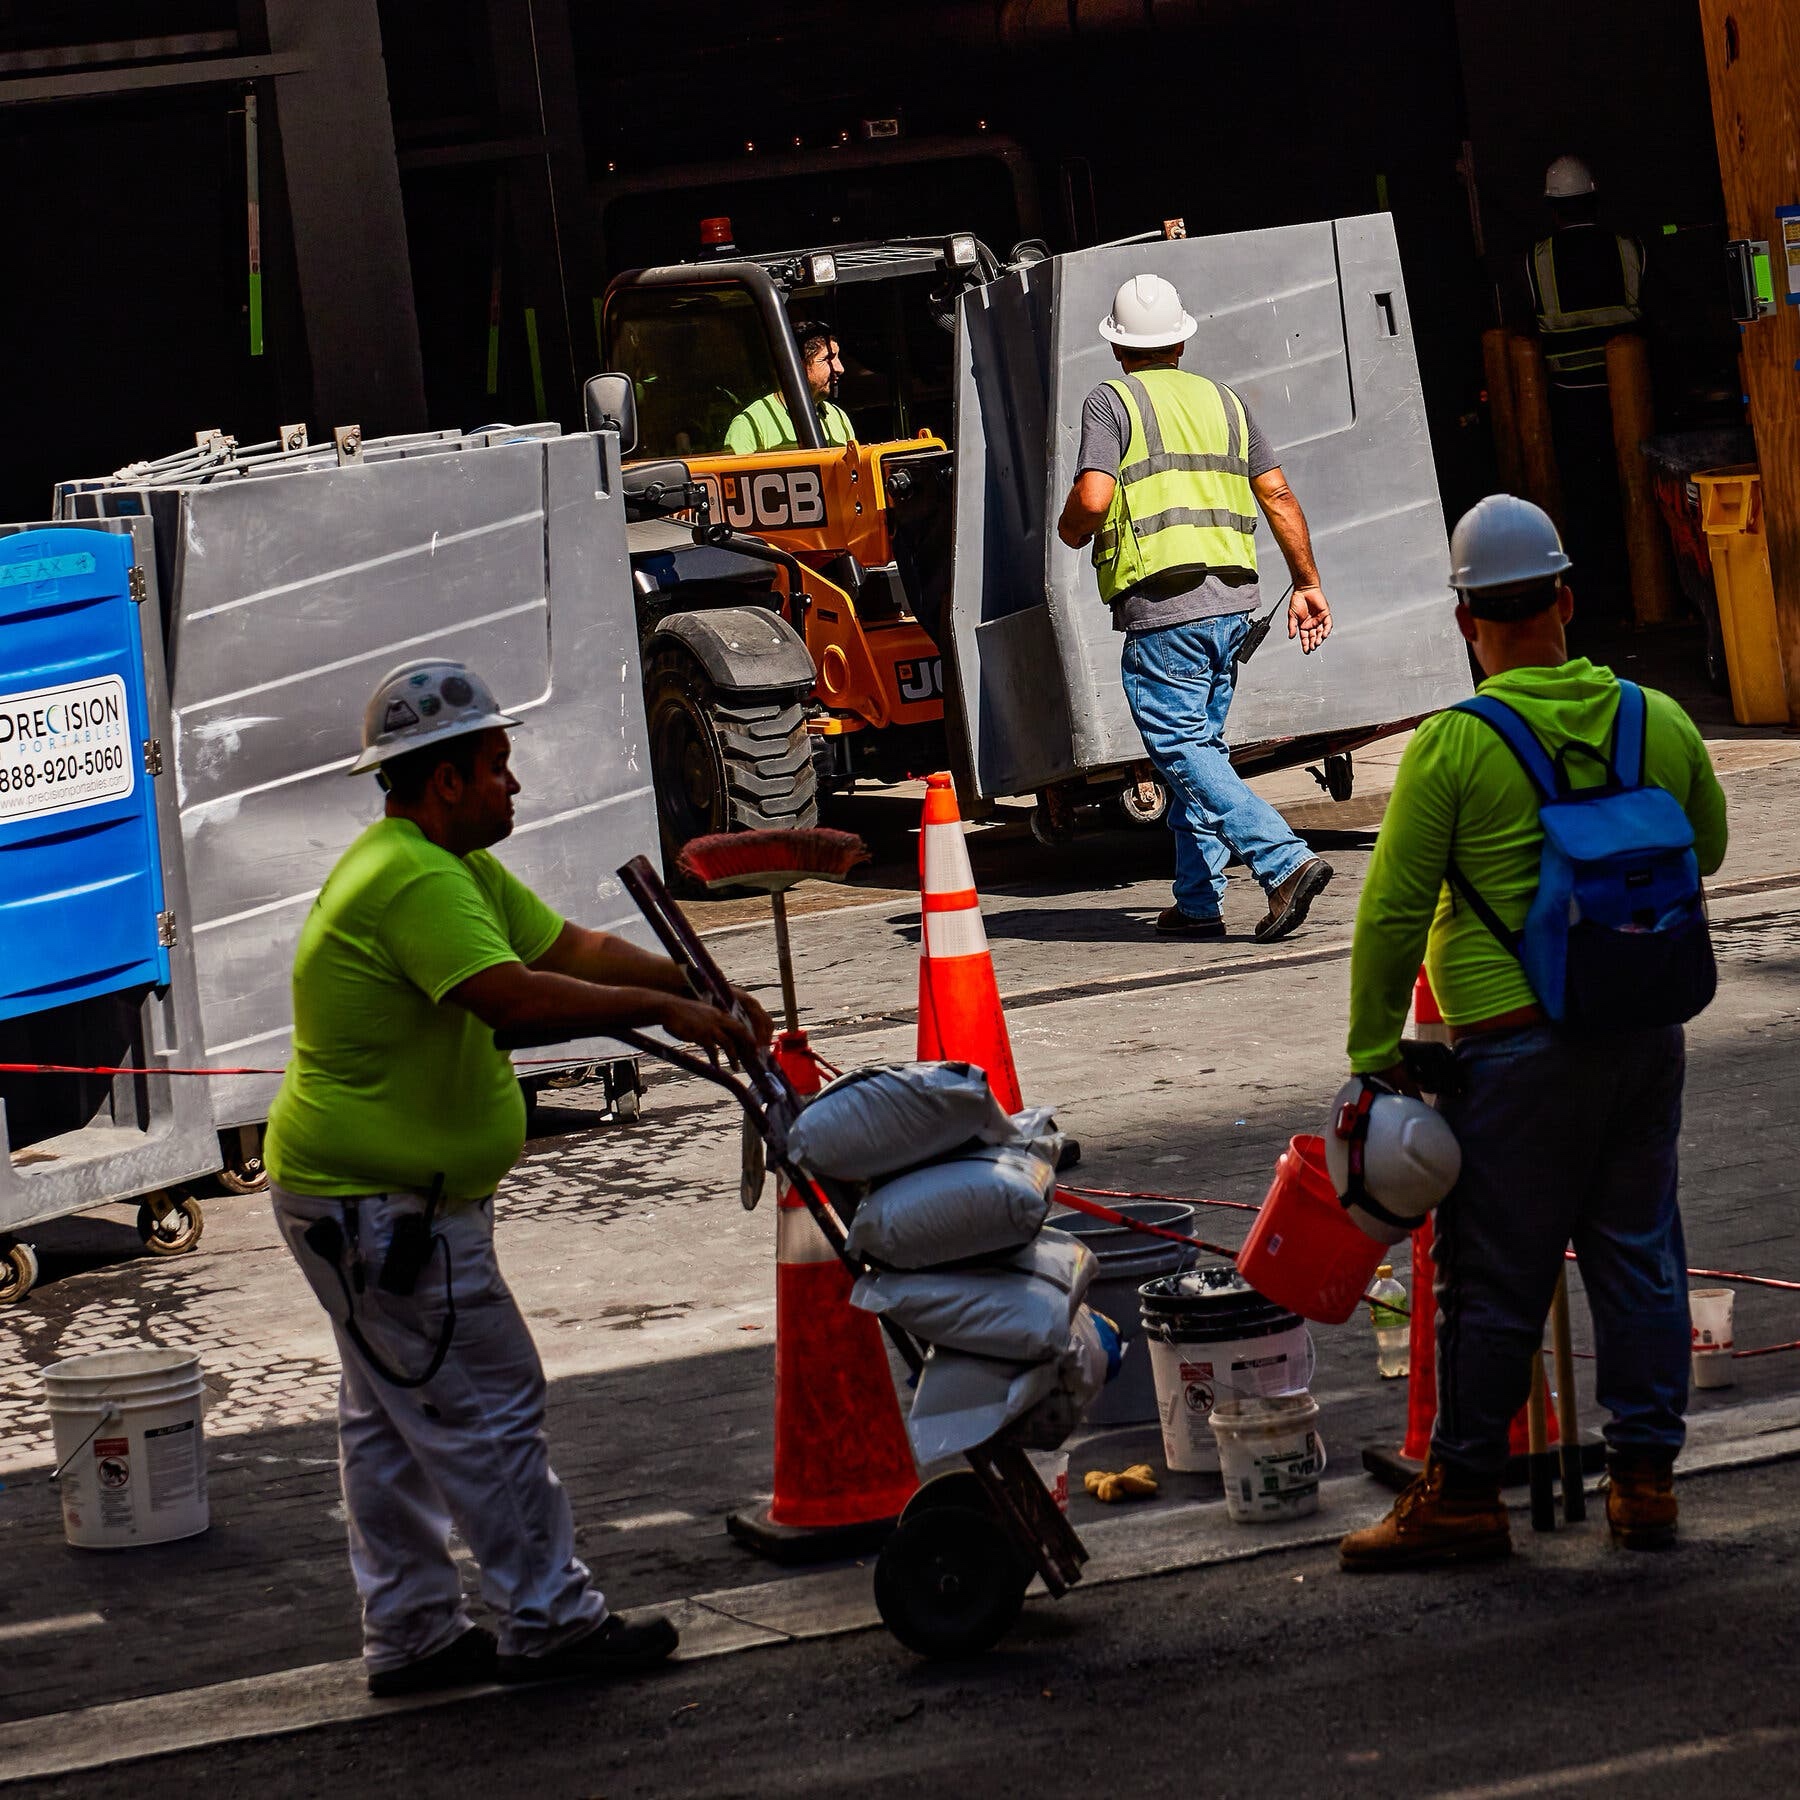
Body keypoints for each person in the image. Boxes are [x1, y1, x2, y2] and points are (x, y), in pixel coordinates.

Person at [264, 659, 772, 1696]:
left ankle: (411, 1633)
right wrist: (668, 1014)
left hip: (360, 1198)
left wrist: (689, 980)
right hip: (386, 1209)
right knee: (489, 1403)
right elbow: (514, 1001)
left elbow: (566, 949)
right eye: (497, 766)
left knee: (394, 1424)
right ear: (444, 779)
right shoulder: (412, 877)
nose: (515, 783)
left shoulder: (441, 862)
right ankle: (549, 1620)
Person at [1336, 496, 1727, 1573]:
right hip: (1645, 1036)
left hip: (1511, 1050)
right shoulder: (1659, 720)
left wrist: (1375, 1053)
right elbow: (1710, 850)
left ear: (1466, 619)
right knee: (1641, 1255)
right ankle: (1645, 1482)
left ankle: (1462, 1492)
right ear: (1566, 597)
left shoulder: (1454, 749)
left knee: (1497, 1277)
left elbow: (1391, 913)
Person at [1056, 272, 1335, 942]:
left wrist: (1068, 532)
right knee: (1200, 752)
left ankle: (1283, 860)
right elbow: (1279, 497)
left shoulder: (1110, 401)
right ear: (1180, 341)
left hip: (1166, 607)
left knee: (1179, 748)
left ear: (1119, 349)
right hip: (1235, 608)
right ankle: (1198, 901)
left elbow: (1092, 502)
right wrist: (1308, 582)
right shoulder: (1226, 402)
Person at [1525, 155, 1647, 613]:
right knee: (1633, 500)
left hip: (1570, 401)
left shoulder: (1536, 260)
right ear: (1595, 197)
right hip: (1634, 396)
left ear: (1552, 207)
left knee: (1585, 501)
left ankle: (1599, 595)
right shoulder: (1628, 247)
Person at [724, 319, 855, 454]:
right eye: (827, 359)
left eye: (837, 358)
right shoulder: (750, 425)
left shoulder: (839, 417)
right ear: (796, 366)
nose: (840, 368)